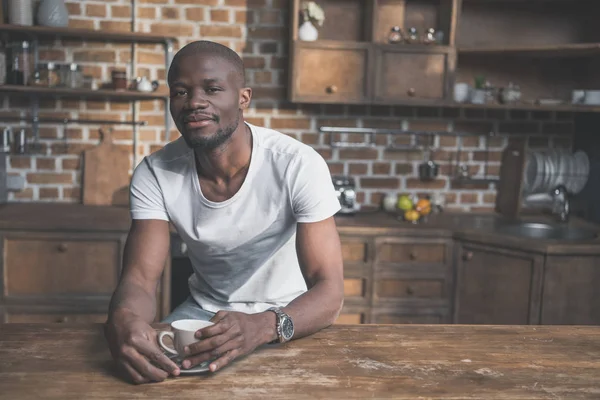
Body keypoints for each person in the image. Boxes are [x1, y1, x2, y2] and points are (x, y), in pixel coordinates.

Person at [103, 40, 345, 385]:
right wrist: (124, 319)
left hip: (289, 315)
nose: (195, 102)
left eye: (212, 89)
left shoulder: (297, 164)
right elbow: (140, 279)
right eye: (180, 92)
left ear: (243, 98)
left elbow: (330, 290)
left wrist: (264, 325)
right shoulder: (155, 172)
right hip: (204, 315)